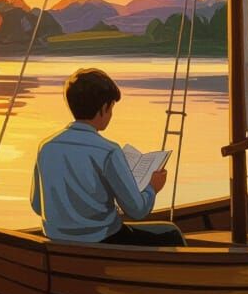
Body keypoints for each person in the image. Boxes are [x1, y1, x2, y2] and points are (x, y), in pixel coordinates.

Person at [30, 67, 186, 247]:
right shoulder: (108, 151)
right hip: (102, 240)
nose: (111, 114)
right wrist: (152, 187)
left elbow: (36, 205)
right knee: (172, 234)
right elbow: (137, 211)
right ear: (104, 108)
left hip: (55, 241)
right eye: (111, 108)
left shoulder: (46, 147)